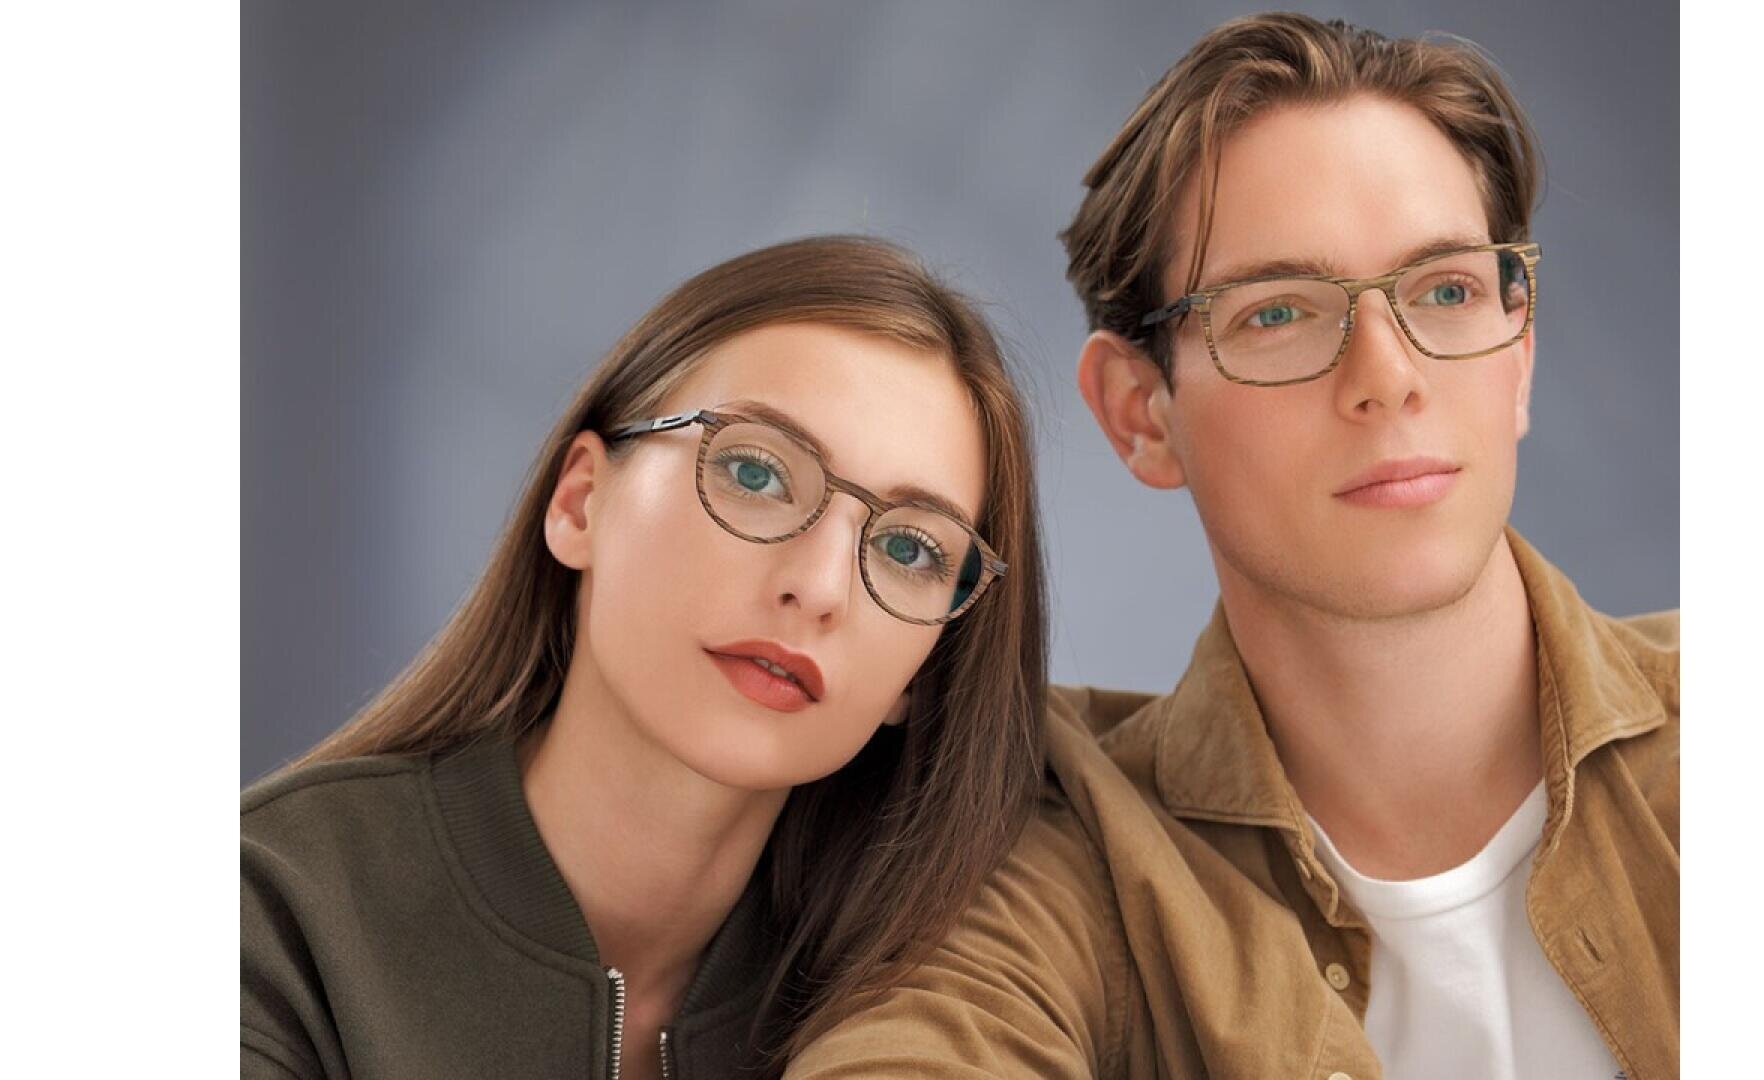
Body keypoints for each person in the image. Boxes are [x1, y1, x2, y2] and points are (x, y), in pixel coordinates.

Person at [790, 13, 1677, 1080]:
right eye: (1279, 314)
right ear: (1140, 416)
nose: (1389, 376)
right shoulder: (1061, 868)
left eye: (1446, 290)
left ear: (1520, 353)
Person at [239, 235, 1049, 1080]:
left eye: (912, 550)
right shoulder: (270, 921)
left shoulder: (937, 1008)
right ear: (581, 503)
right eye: (757, 471)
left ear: (924, 671)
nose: (819, 588)